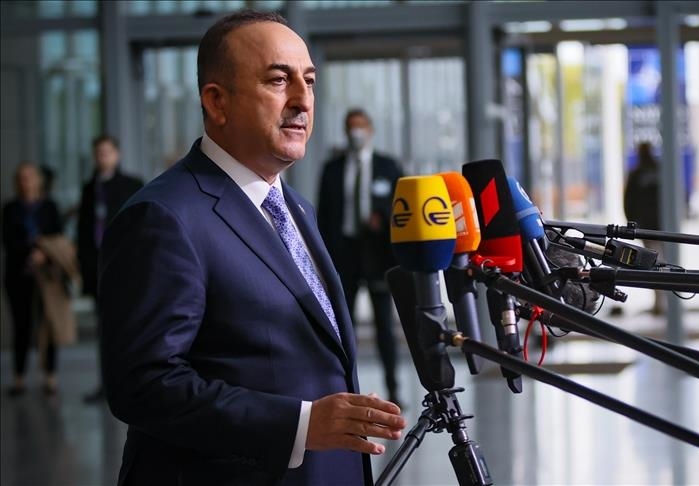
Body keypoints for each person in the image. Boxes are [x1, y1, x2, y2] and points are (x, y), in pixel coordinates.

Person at [97, 10, 405, 485]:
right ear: (216, 102)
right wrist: (299, 425)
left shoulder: (296, 208)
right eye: (278, 80)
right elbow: (143, 384)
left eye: (309, 81)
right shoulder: (163, 216)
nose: (302, 100)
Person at [317, 109, 404, 406]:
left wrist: (383, 217)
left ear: (370, 130)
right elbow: (323, 216)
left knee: (384, 326)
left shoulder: (387, 167)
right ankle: (347, 389)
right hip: (344, 256)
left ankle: (393, 388)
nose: (356, 133)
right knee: (343, 327)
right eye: (351, 127)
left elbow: (401, 208)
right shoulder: (332, 169)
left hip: (377, 256)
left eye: (361, 127)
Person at [77, 134, 143, 404]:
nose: (102, 158)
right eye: (98, 153)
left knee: (132, 326)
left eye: (106, 152)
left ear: (117, 154)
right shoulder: (89, 188)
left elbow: (140, 227)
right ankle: (107, 384)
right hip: (98, 268)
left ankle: (135, 381)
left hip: (127, 268)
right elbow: (83, 231)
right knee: (105, 330)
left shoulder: (132, 184)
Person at [2, 163, 64, 396]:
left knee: (48, 324)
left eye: (29, 177)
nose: (26, 181)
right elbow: (7, 239)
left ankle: (50, 376)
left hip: (47, 276)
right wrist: (30, 253)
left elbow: (58, 235)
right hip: (18, 275)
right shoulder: (10, 208)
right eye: (21, 177)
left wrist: (44, 253)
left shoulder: (49, 206)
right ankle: (19, 377)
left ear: (38, 180)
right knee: (22, 326)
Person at [623, 141, 665, 315]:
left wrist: (633, 224)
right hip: (661, 227)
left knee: (654, 264)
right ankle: (663, 302)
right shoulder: (660, 171)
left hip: (648, 227)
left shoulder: (636, 174)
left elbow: (628, 203)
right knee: (663, 264)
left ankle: (660, 302)